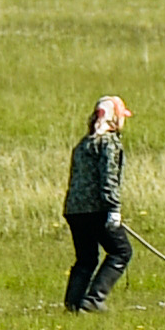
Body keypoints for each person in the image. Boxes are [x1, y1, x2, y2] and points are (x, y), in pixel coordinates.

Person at [62, 95, 135, 312]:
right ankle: (94, 300)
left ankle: (73, 304)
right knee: (121, 252)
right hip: (98, 209)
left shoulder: (84, 143)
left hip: (74, 210)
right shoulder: (109, 143)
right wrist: (113, 209)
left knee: (86, 259)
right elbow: (108, 178)